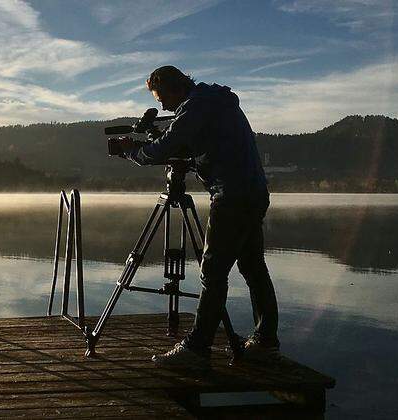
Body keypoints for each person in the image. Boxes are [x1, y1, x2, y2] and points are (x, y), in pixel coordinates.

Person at [117, 65, 280, 368]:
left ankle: (197, 348)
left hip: (231, 196)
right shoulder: (215, 103)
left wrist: (132, 151)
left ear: (174, 88)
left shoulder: (195, 108)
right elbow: (203, 149)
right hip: (253, 193)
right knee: (253, 267)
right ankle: (265, 341)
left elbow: (164, 148)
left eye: (161, 97)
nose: (161, 105)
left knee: (213, 273)